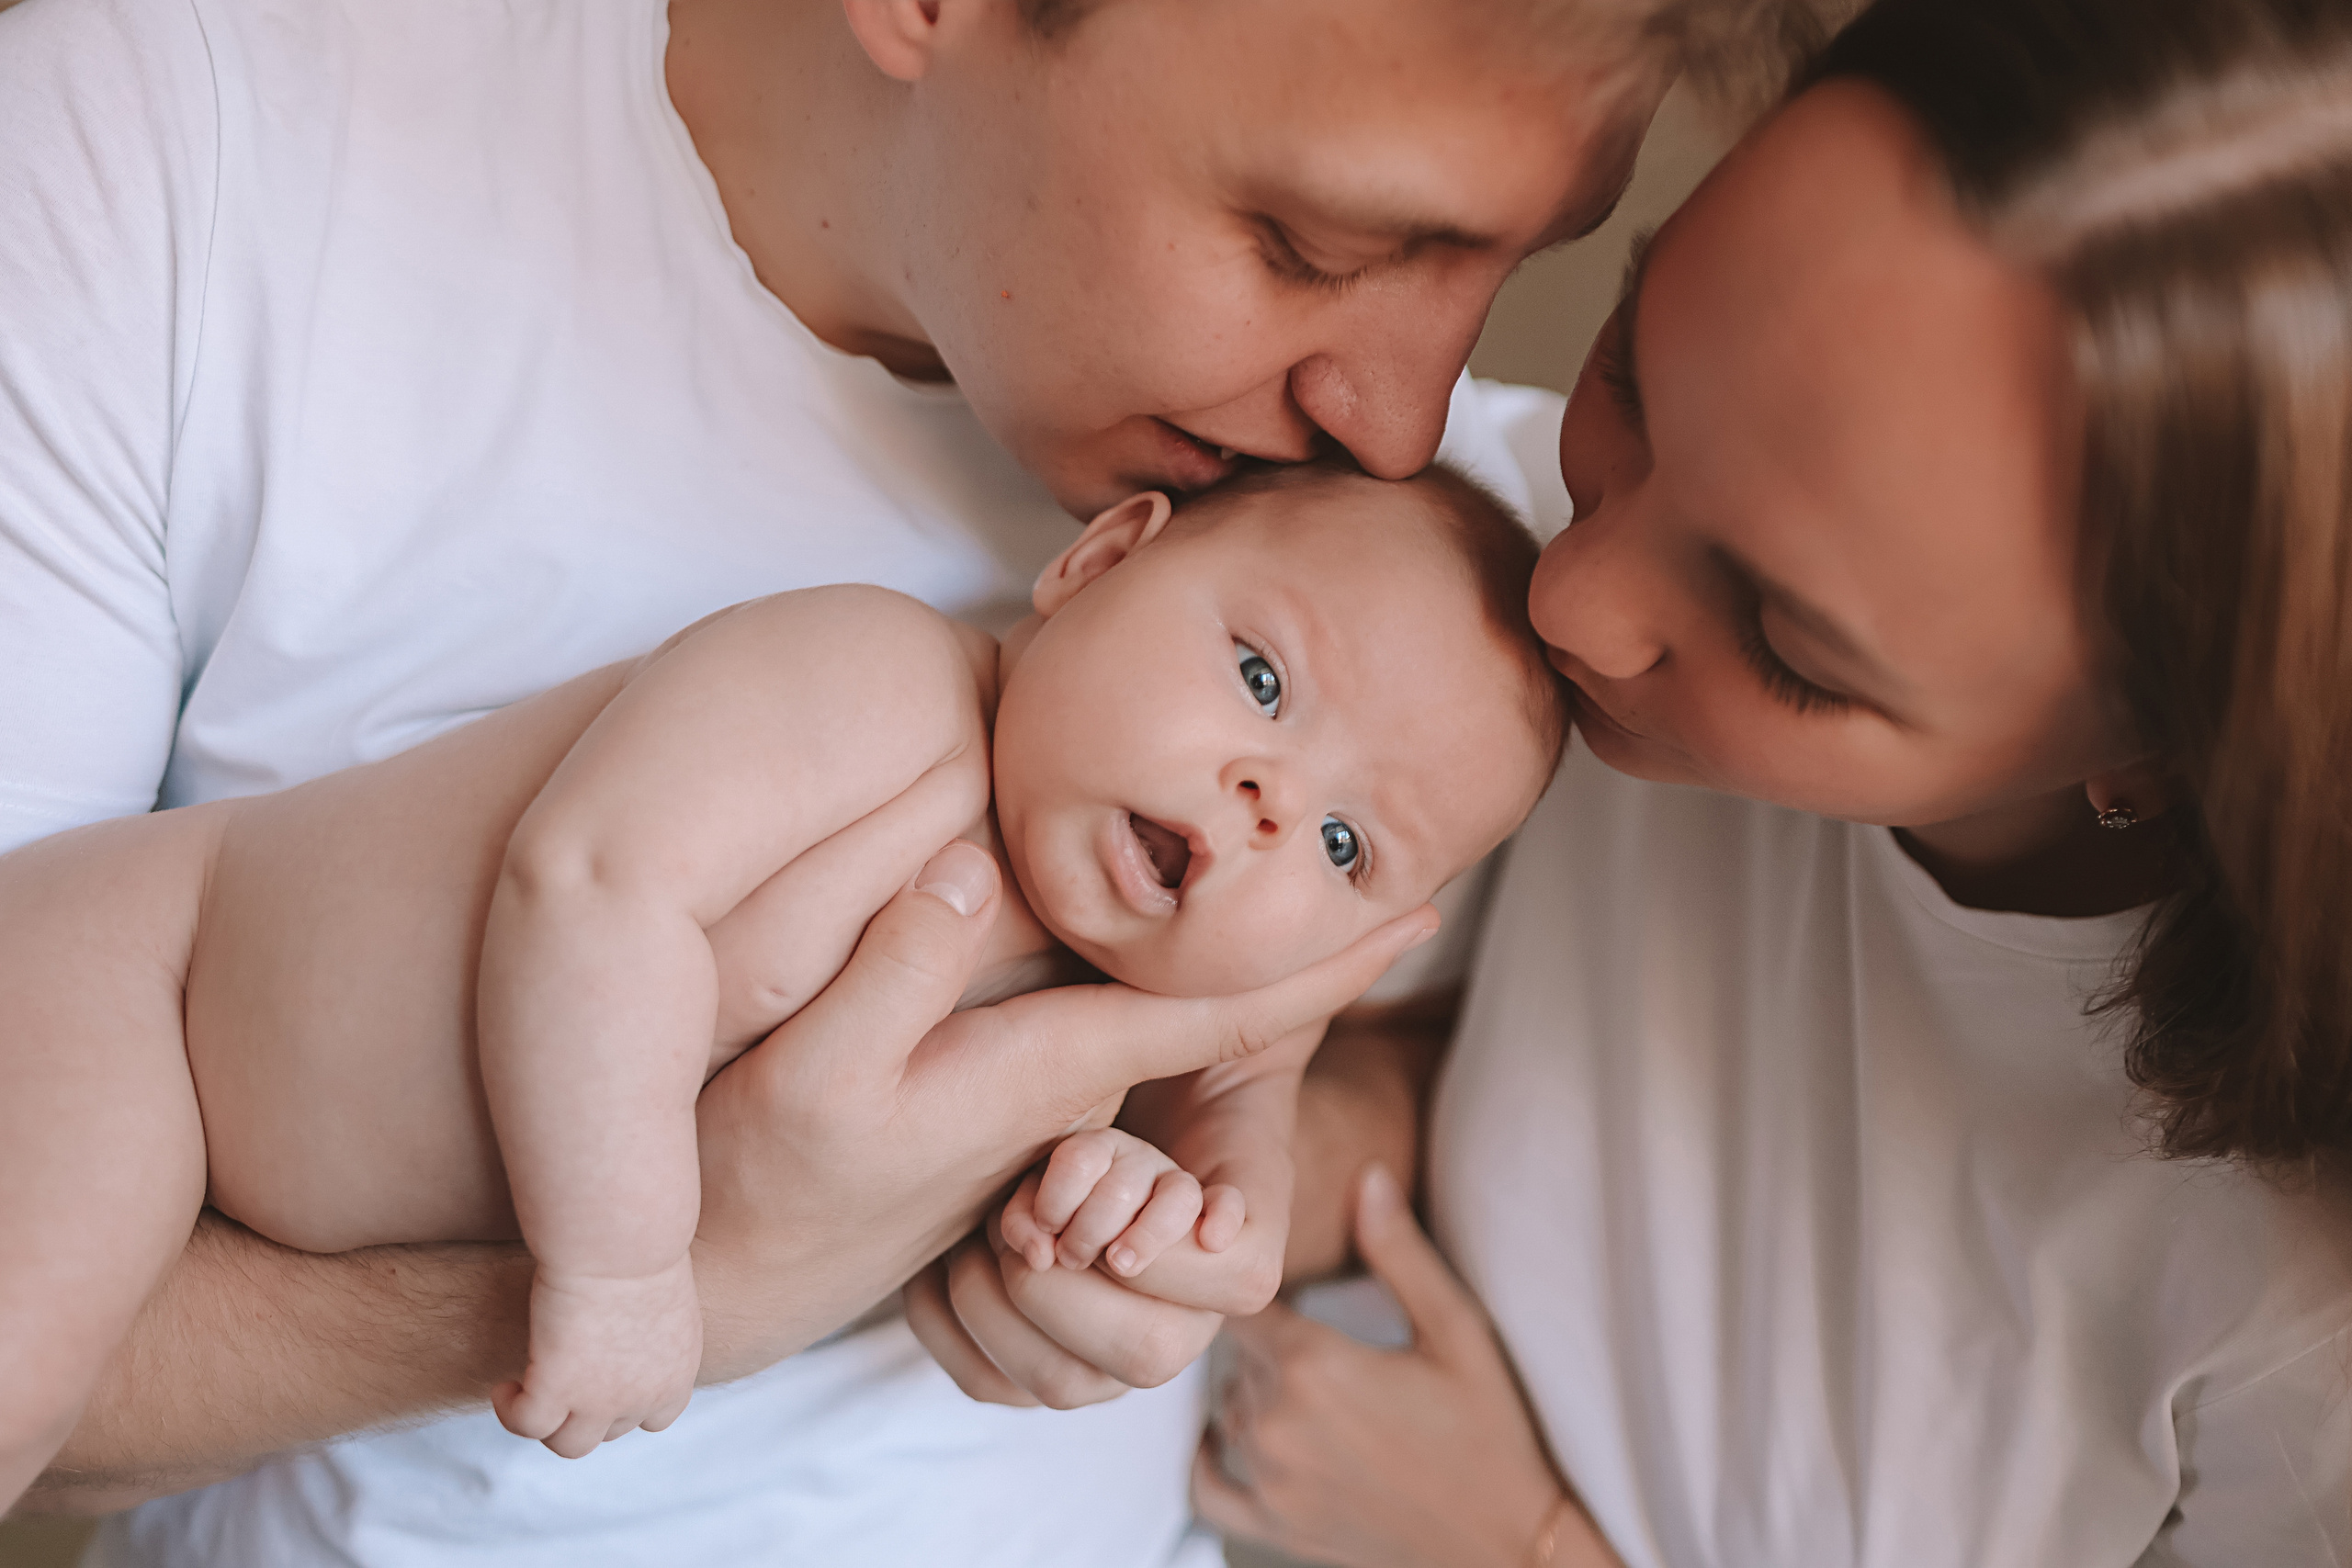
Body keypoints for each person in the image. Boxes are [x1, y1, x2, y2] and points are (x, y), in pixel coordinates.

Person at [1, 0, 1834, 1559]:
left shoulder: (1421, 578)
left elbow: (1429, 1052)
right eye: (1314, 245)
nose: (1400, 413)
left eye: (1510, 265)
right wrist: (720, 1268)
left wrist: (1176, 1204)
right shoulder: (168, 154)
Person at [920, 0, 2352, 1562]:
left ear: (2160, 760)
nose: (1571, 601)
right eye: (1632, 371)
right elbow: (1482, 1083)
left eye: (1791, 645)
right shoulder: (1424, 573)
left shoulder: (2298, 1311)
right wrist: (1191, 1201)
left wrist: (1529, 1548)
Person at [0, 461, 1563, 1499]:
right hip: (146, 993)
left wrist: (1205, 1209)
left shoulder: (1113, 999)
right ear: (1095, 562)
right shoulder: (882, 685)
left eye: (1349, 843)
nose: (1269, 801)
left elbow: (1238, 1092)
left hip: (236, 1159)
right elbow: (592, 885)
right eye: (1263, 680)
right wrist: (624, 1270)